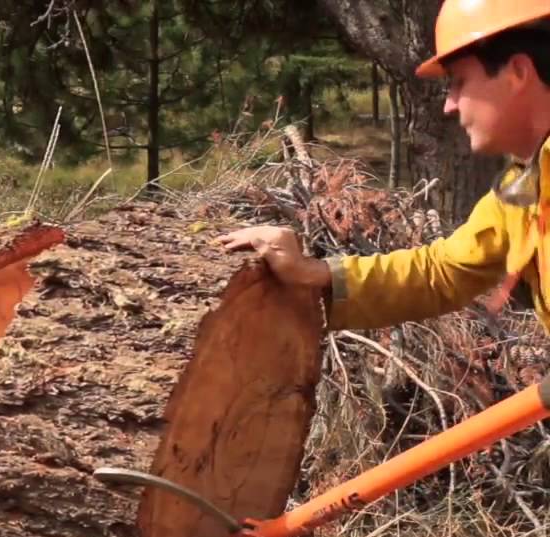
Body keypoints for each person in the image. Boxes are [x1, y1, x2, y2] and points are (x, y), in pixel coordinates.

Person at [217, 0, 550, 334]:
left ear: (517, 73)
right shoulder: (527, 185)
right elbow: (443, 272)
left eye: (460, 82)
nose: (449, 104)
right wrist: (312, 273)